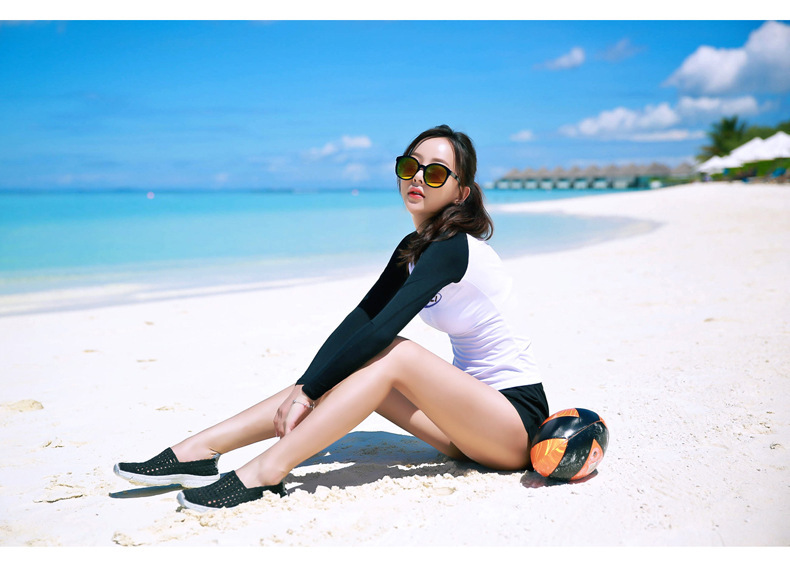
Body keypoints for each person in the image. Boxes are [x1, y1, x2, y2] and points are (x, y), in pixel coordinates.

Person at [114, 125, 549, 512]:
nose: (417, 178)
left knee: (395, 353)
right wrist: (305, 386)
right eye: (409, 166)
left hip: (512, 425)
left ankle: (266, 471)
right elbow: (361, 319)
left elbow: (385, 329)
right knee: (353, 364)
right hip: (464, 431)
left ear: (460, 194)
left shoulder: (452, 247)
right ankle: (199, 450)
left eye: (435, 173)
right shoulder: (414, 247)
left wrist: (309, 393)